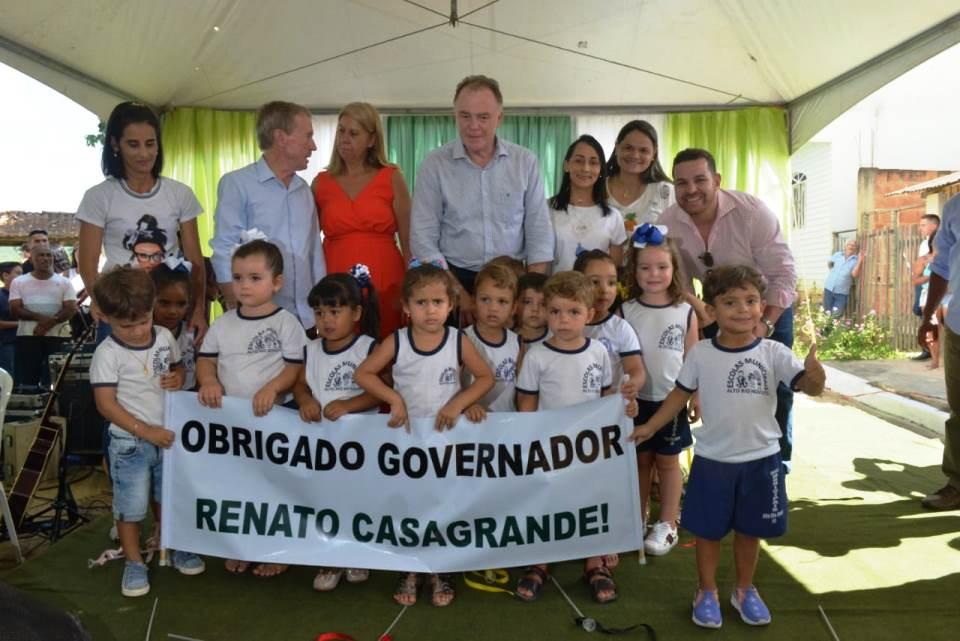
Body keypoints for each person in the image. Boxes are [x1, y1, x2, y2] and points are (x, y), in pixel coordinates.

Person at [629, 265, 825, 628]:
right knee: (708, 532)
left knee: (750, 530)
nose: (742, 309)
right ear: (711, 310)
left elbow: (808, 387)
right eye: (730, 301)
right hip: (713, 461)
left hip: (762, 461)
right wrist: (650, 426)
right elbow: (678, 395)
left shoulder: (774, 352)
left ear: (762, 306)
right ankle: (706, 591)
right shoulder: (702, 353)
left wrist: (816, 376)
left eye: (751, 301)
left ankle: (744, 589)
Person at [355, 264, 494, 607]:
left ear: (451, 305)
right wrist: (394, 399)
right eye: (421, 303)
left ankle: (441, 568)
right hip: (407, 440)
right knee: (408, 502)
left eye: (437, 302)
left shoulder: (457, 340)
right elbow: (365, 374)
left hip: (446, 440)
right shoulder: (397, 341)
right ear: (406, 307)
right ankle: (409, 567)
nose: (430, 310)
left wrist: (460, 403)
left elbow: (485, 378)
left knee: (443, 503)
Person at [659, 148, 798, 468]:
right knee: (721, 386)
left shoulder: (752, 213)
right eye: (681, 183)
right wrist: (698, 307)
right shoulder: (667, 223)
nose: (691, 190)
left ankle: (777, 463)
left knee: (775, 387)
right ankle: (727, 459)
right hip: (713, 313)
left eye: (699, 180)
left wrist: (764, 325)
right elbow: (672, 280)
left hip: (769, 308)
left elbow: (783, 274)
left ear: (717, 180)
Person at [514, 271, 639, 604]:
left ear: (590, 314)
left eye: (572, 312)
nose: (563, 319)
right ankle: (540, 562)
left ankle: (594, 562)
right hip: (548, 447)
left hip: (588, 448)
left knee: (590, 502)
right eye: (555, 311)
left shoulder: (598, 352)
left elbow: (604, 399)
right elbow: (525, 404)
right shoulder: (536, 356)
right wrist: (531, 442)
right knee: (545, 502)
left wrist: (624, 407)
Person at [89, 267, 205, 597]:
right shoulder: (107, 354)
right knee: (130, 506)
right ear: (106, 317)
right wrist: (146, 431)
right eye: (127, 326)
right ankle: (134, 561)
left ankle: (172, 542)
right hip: (130, 443)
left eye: (143, 320)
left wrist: (178, 377)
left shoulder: (165, 337)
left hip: (165, 436)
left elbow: (177, 366)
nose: (139, 331)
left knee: (166, 497)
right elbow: (106, 405)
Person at [196, 239, 306, 577]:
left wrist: (273, 388)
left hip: (275, 421)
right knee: (239, 489)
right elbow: (205, 360)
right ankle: (244, 546)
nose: (244, 285)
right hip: (232, 425)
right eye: (238, 277)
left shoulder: (286, 322)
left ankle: (278, 548)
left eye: (255, 278)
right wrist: (209, 382)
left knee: (275, 488)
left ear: (277, 283)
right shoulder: (223, 323)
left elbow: (295, 368)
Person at [410, 75, 554, 306]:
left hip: (513, 284)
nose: (473, 126)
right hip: (453, 280)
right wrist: (455, 291)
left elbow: (539, 233)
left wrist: (529, 292)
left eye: (483, 117)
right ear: (454, 116)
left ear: (500, 118)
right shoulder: (434, 164)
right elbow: (423, 238)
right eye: (465, 116)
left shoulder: (525, 162)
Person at [77, 102, 207, 341]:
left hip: (169, 309)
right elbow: (87, 261)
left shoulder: (180, 194)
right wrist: (98, 301)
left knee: (172, 376)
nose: (144, 154)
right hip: (119, 308)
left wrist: (198, 310)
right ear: (116, 144)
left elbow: (195, 260)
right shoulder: (98, 197)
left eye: (150, 143)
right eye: (133, 145)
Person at [294, 267, 382, 592]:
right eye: (319, 312)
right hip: (323, 445)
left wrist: (349, 405)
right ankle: (330, 557)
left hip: (361, 444)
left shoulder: (369, 348)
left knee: (357, 499)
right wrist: (305, 401)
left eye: (335, 311)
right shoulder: (312, 349)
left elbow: (381, 392)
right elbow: (300, 386)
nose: (326, 320)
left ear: (356, 312)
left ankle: (357, 553)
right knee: (326, 499)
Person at [211, 101, 326, 328]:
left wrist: (321, 307)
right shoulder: (237, 184)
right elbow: (224, 248)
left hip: (306, 319)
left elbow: (314, 252)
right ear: (281, 137)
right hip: (256, 318)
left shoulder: (303, 189)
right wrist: (237, 311)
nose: (313, 146)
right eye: (307, 136)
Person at [621, 224, 699, 556]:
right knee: (639, 462)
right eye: (645, 267)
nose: (654, 274)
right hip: (636, 403)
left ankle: (667, 522)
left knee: (668, 463)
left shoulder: (685, 310)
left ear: (674, 269)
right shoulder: (626, 310)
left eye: (662, 267)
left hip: (672, 401)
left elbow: (694, 358)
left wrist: (697, 395)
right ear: (633, 270)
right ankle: (636, 518)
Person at [313, 102, 411, 336]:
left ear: (371, 139)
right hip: (335, 279)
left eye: (353, 133)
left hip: (386, 280)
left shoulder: (392, 177)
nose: (344, 139)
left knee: (385, 344)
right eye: (341, 131)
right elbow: (307, 241)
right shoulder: (320, 183)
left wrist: (412, 289)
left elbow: (410, 241)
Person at [918, 197, 959, 510]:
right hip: (959, 324)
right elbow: (942, 267)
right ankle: (957, 485)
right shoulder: (954, 207)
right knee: (959, 410)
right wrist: (930, 314)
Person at [550, 136, 626, 272]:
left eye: (593, 162)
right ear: (566, 165)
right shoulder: (546, 209)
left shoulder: (613, 217)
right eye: (579, 161)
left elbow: (615, 271)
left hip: (597, 293)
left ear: (601, 169)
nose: (585, 168)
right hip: (555, 290)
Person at [573, 249, 645, 393]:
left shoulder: (620, 328)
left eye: (611, 282)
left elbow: (635, 369)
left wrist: (632, 385)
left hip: (610, 408)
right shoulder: (564, 325)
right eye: (595, 282)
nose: (604, 289)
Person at [9, 246, 77, 388]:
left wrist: (48, 324)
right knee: (29, 377)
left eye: (48, 255)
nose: (46, 258)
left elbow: (70, 309)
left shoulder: (65, 282)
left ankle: (54, 408)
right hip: (28, 336)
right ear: (32, 259)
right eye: (41, 255)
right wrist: (42, 319)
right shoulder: (19, 282)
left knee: (57, 378)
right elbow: (15, 309)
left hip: (58, 336)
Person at [462, 262, 522, 411]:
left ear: (513, 307)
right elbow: (451, 384)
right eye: (485, 299)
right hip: (470, 423)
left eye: (502, 301)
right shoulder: (462, 338)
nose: (493, 308)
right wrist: (467, 405)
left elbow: (522, 388)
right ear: (473, 301)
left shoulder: (518, 342)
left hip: (506, 424)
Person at [606, 120, 674, 231]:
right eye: (628, 148)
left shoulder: (665, 191)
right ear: (617, 148)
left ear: (654, 153)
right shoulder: (597, 188)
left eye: (643, 150)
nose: (635, 155)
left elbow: (676, 237)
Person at [150, 260, 197, 390]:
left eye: (181, 304)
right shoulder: (141, 334)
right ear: (150, 299)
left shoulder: (194, 333)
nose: (173, 311)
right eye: (164, 303)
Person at [912, 214, 940, 361]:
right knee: (921, 313)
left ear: (934, 226)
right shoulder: (924, 243)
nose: (920, 228)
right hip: (924, 285)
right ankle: (929, 351)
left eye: (923, 225)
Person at [823, 240, 864, 316]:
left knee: (836, 315)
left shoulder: (855, 260)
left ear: (855, 248)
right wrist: (833, 271)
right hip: (828, 289)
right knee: (827, 313)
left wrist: (860, 260)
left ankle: (833, 327)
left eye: (853, 245)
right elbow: (830, 264)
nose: (851, 246)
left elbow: (854, 274)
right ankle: (826, 328)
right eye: (849, 244)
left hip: (842, 293)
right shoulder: (837, 255)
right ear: (845, 246)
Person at [0, 261, 23, 376]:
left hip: (25, 343)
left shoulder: (24, 296)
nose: (22, 277)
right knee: (9, 377)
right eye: (18, 273)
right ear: (5, 275)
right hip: (6, 344)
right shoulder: (1, 296)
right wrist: (21, 324)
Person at [515, 272, 549, 348]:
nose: (535, 309)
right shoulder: (505, 338)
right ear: (515, 305)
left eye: (543, 304)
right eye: (527, 302)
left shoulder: (557, 338)